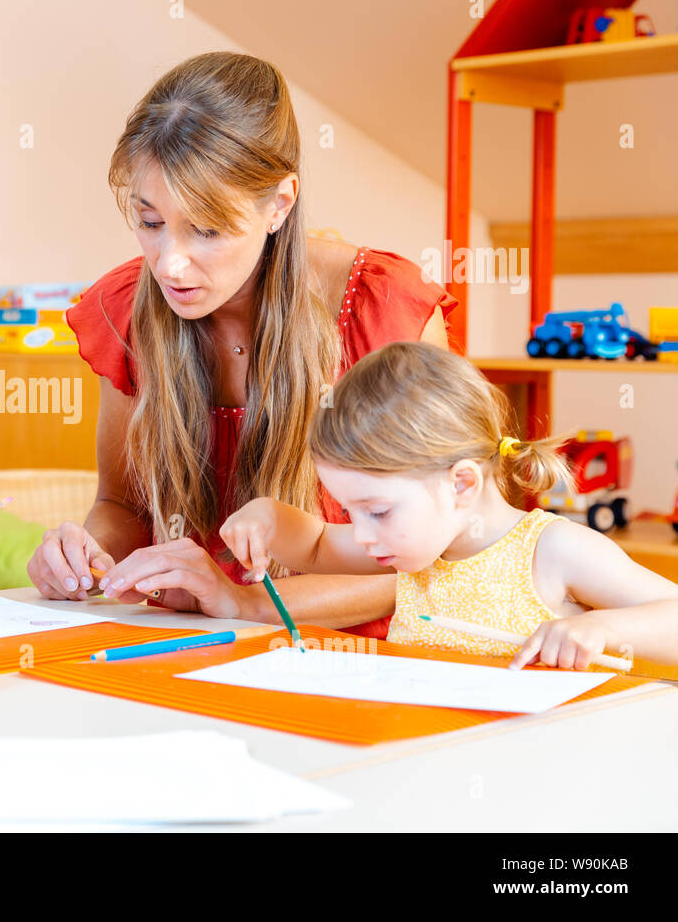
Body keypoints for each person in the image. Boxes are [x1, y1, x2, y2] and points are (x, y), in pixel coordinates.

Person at [28, 51, 454, 636]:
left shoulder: (385, 312)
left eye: (207, 229)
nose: (169, 264)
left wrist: (246, 605)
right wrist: (83, 554)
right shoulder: (124, 309)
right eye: (150, 222)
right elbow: (121, 507)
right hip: (182, 648)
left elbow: (436, 555)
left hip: (351, 665)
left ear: (279, 205)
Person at [220, 342, 678, 669]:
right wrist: (268, 517)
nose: (360, 534)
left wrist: (602, 631)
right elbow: (317, 545)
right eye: (349, 510)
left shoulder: (551, 550)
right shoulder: (417, 549)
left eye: (377, 511)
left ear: (461, 484)